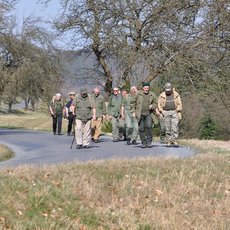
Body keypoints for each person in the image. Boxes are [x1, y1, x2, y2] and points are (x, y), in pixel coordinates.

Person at [157, 82, 182, 147]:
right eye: (166, 90)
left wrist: (178, 110)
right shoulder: (162, 95)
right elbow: (159, 104)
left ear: (171, 88)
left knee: (175, 127)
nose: (168, 92)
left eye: (169, 90)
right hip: (165, 111)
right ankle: (168, 140)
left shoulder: (176, 94)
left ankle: (174, 140)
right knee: (167, 127)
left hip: (174, 111)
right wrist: (161, 111)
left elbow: (179, 103)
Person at [136, 82, 158, 148]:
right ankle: (144, 142)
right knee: (141, 128)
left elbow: (156, 103)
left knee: (149, 127)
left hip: (148, 113)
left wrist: (152, 106)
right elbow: (132, 102)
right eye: (145, 88)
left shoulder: (152, 95)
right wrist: (133, 112)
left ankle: (149, 141)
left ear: (149, 88)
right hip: (140, 114)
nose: (146, 89)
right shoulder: (138, 94)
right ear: (143, 88)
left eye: (147, 88)